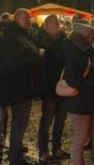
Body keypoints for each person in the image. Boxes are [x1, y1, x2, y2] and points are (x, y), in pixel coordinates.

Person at [0, 8, 42, 165]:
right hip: (18, 87)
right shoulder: (12, 38)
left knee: (20, 123)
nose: (29, 21)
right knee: (19, 123)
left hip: (22, 86)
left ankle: (16, 151)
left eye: (29, 18)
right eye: (26, 18)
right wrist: (35, 58)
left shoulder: (20, 35)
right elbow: (13, 64)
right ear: (17, 19)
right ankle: (15, 158)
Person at [63, 20, 94, 165]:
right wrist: (90, 86)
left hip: (90, 100)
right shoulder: (74, 51)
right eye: (91, 35)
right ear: (83, 36)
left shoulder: (88, 50)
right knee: (81, 138)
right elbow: (72, 78)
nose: (93, 37)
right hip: (80, 102)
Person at [34, 14, 70, 163]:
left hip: (62, 84)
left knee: (61, 119)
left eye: (55, 24)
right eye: (50, 24)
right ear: (46, 26)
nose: (53, 26)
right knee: (47, 120)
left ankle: (56, 147)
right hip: (48, 86)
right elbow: (37, 66)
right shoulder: (39, 41)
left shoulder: (64, 40)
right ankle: (43, 150)